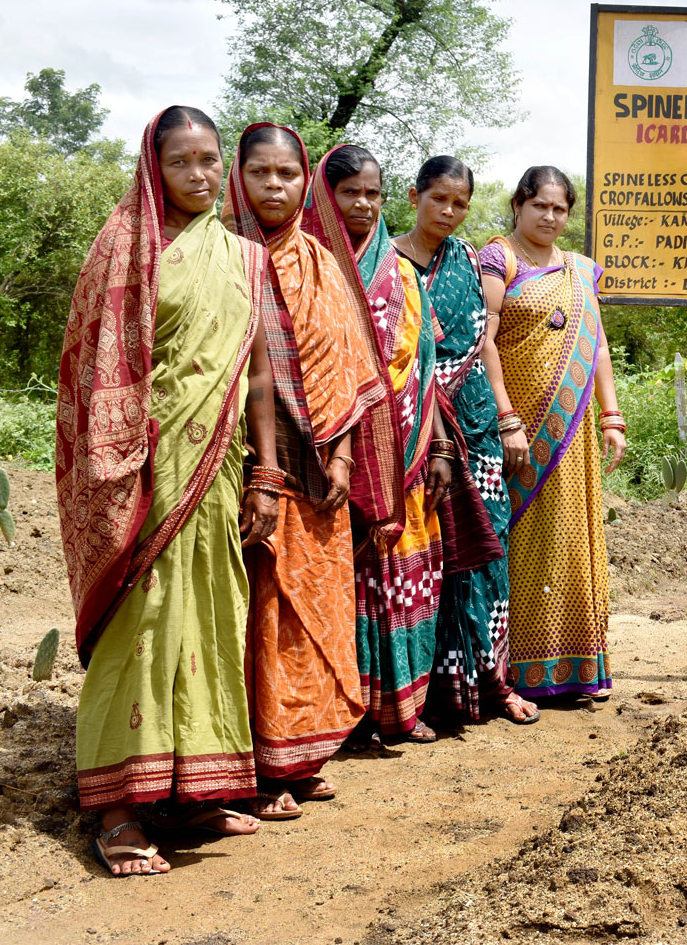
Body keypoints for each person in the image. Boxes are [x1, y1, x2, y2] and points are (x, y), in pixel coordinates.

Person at [58, 106, 278, 875]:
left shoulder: (245, 258)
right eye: (180, 161)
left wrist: (267, 473)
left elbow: (256, 375)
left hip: (218, 469)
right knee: (146, 621)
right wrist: (127, 461)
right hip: (144, 472)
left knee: (214, 612)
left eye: (209, 160)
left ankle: (199, 786)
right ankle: (121, 807)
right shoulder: (125, 246)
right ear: (154, 166)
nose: (198, 175)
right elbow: (96, 370)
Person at [228, 124, 398, 815]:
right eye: (261, 173)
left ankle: (307, 754)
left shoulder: (323, 264)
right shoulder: (225, 259)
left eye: (288, 174)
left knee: (321, 613)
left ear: (306, 182)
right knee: (263, 611)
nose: (275, 186)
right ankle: (263, 761)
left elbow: (354, 365)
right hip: (247, 465)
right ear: (239, 178)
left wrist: (345, 454)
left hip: (324, 468)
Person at [310, 144, 454, 745]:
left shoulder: (399, 272)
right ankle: (350, 716)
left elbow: (424, 365)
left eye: (373, 193)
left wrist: (441, 445)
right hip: (335, 456)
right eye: (351, 193)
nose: (364, 204)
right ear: (327, 195)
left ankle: (402, 708)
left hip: (410, 451)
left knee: (410, 577)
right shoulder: (311, 263)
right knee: (349, 583)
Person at [392, 156, 538, 725]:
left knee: (486, 553)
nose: (449, 212)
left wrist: (505, 417)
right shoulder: (384, 260)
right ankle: (423, 694)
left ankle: (493, 682)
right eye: (439, 200)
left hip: (474, 423)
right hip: (411, 427)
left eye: (460, 203)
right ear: (414, 196)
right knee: (425, 555)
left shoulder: (466, 260)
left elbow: (482, 344)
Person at [479, 167, 626, 702]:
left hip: (573, 432)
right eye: (540, 205)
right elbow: (485, 341)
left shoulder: (582, 270)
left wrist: (612, 418)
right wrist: (507, 419)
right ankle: (512, 671)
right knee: (517, 541)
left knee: (571, 539)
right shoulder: (499, 260)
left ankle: (577, 668)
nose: (550, 217)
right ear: (518, 204)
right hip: (515, 432)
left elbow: (601, 347)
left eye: (560, 209)